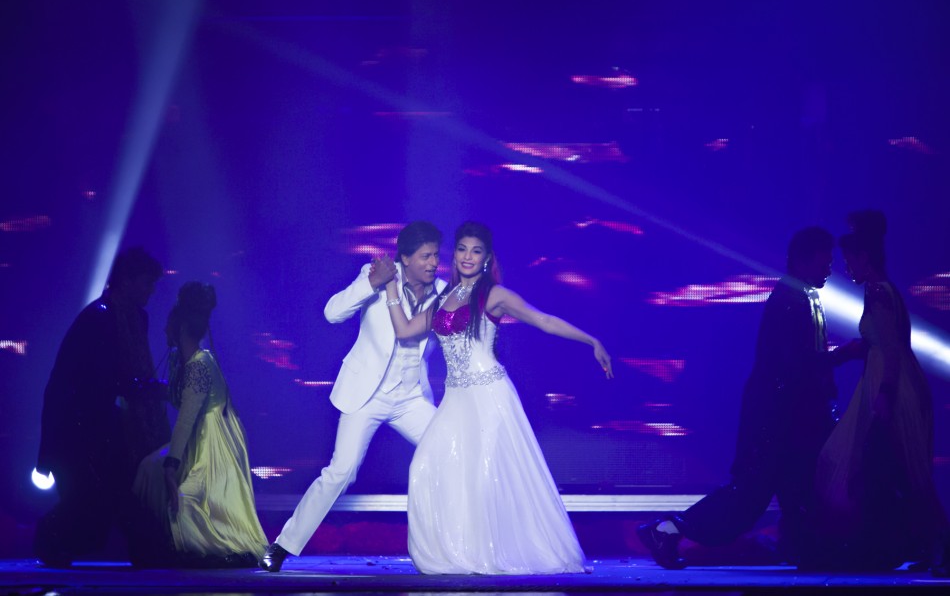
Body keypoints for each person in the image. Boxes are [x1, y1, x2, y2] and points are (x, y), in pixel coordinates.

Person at [383, 221, 613, 574]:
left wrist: (591, 341)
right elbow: (405, 330)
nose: (468, 257)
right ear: (454, 253)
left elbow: (545, 321)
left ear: (488, 258)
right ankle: (448, 554)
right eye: (462, 249)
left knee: (485, 477)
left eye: (476, 251)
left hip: (489, 396)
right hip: (456, 401)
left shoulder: (495, 295)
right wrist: (390, 289)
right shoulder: (444, 297)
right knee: (424, 466)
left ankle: (487, 554)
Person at [638, 227, 864, 569]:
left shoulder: (803, 297)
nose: (829, 269)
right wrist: (842, 356)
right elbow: (793, 364)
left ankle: (807, 550)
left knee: (794, 485)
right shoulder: (790, 300)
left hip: (789, 416)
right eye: (825, 261)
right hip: (776, 416)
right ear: (804, 259)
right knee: (751, 493)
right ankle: (668, 528)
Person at [260, 221, 448, 571]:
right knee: (341, 472)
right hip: (367, 395)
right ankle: (283, 546)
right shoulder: (375, 275)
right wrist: (372, 282)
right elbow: (332, 313)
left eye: (436, 255)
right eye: (425, 256)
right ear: (404, 258)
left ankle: (454, 545)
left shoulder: (442, 290)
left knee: (451, 453)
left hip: (410, 398)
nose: (433, 262)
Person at [809, 210, 949, 571]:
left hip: (892, 389)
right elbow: (876, 343)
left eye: (849, 259)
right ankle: (922, 545)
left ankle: (934, 545)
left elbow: (889, 350)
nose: (846, 266)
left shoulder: (878, 292)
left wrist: (885, 396)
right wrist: (841, 356)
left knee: (907, 471)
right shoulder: (881, 290)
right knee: (903, 472)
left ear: (864, 257)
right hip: (887, 385)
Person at [35, 247, 168, 567]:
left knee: (114, 498)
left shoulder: (135, 317)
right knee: (94, 504)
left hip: (106, 424)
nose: (151, 290)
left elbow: (123, 376)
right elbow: (86, 380)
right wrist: (150, 390)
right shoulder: (98, 318)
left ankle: (146, 550)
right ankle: (50, 542)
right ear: (127, 280)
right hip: (78, 427)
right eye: (146, 282)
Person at [133, 282, 267, 568]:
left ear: (179, 326)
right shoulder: (187, 362)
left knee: (185, 502)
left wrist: (171, 465)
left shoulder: (198, 364)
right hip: (197, 436)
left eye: (168, 324)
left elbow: (186, 418)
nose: (163, 329)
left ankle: (208, 546)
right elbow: (178, 398)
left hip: (213, 442)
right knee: (147, 467)